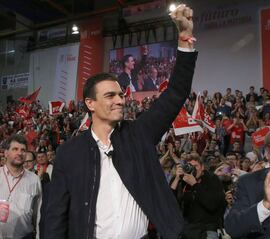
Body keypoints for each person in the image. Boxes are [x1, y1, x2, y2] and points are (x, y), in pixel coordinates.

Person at [43, 5, 197, 239]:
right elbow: (55, 217)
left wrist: (185, 39)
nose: (120, 100)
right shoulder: (68, 153)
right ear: (90, 104)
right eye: (110, 96)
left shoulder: (139, 134)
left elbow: (175, 93)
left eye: (121, 95)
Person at [170, 155, 226, 238]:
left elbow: (212, 204)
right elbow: (169, 203)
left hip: (207, 229)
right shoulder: (182, 181)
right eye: (189, 166)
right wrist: (177, 179)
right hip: (186, 228)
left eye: (195, 166)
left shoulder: (212, 179)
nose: (193, 169)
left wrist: (194, 185)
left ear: (202, 167)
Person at [0, 134, 42, 239]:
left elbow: (38, 215)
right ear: (6, 153)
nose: (20, 153)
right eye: (15, 149)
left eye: (23, 150)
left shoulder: (34, 180)